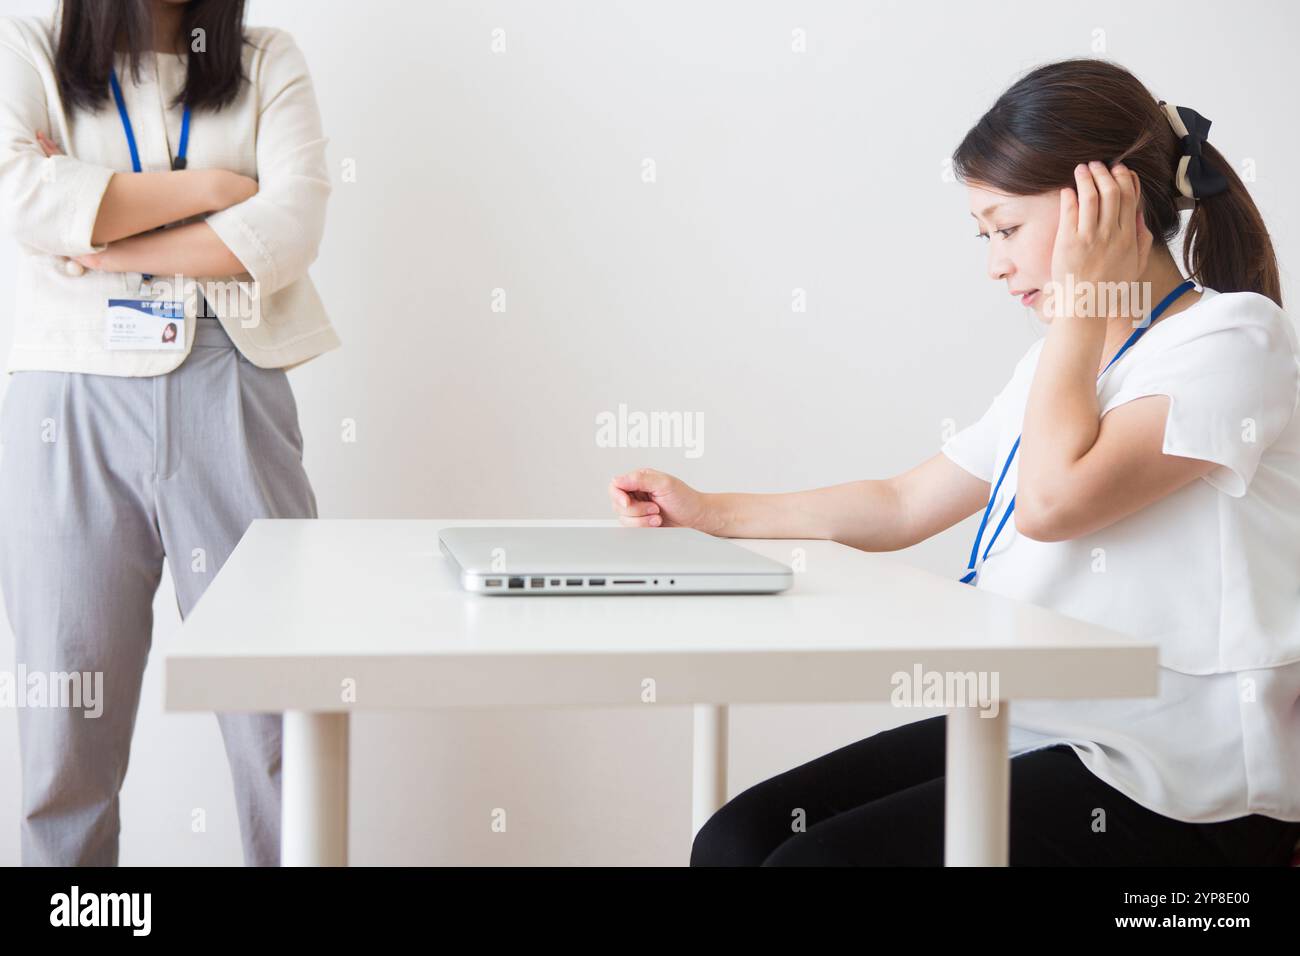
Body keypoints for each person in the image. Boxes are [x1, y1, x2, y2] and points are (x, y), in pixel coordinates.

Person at [610, 58, 1300, 866]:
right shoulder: (1064, 371)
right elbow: (904, 504)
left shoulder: (1233, 341)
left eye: (1006, 228)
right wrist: (709, 510)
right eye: (986, 236)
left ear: (1104, 206)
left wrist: (1079, 307)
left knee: (812, 865)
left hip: (1180, 769)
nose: (994, 264)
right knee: (735, 841)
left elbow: (1052, 503)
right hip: (1052, 723)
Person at [0, 0, 339, 865]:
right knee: (65, 722)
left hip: (233, 381)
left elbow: (290, 226)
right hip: (70, 397)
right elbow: (20, 194)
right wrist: (215, 190)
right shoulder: (26, 45)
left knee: (278, 708)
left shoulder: (267, 58)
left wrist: (105, 243)